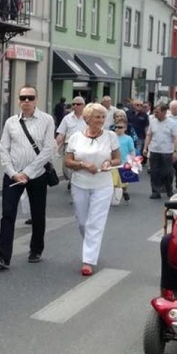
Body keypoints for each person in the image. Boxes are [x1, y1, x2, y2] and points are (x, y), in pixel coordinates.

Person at [0, 86, 56, 270]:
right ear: (19, 100)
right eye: (23, 97)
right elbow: (4, 148)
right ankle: (3, 256)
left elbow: (48, 150)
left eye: (30, 97)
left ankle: (36, 249)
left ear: (36, 100)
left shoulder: (47, 120)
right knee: (7, 214)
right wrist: (12, 172)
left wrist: (28, 172)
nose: (26, 101)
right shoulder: (11, 122)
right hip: (13, 175)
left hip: (37, 175)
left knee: (37, 213)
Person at [63, 103, 121, 276]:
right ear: (87, 118)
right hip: (80, 183)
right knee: (83, 222)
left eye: (103, 117)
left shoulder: (110, 136)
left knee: (95, 223)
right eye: (97, 117)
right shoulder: (75, 137)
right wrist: (83, 165)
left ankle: (88, 260)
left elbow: (118, 159)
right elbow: (68, 161)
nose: (101, 120)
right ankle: (90, 244)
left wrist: (109, 162)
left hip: (103, 184)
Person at [143, 102, 177, 199]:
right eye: (155, 112)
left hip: (167, 152)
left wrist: (176, 152)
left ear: (164, 112)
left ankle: (169, 190)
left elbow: (175, 138)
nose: (155, 114)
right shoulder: (153, 121)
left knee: (167, 172)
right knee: (154, 172)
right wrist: (145, 148)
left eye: (157, 112)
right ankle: (155, 192)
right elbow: (149, 135)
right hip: (154, 150)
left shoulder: (172, 123)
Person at [56, 96, 87, 188]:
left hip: (84, 145)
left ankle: (76, 182)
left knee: (81, 166)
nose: (75, 106)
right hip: (69, 145)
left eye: (78, 104)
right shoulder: (67, 118)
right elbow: (61, 134)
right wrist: (55, 145)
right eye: (74, 104)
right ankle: (72, 179)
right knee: (66, 167)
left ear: (83, 105)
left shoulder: (88, 118)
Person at [113, 119, 136, 202]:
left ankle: (124, 192)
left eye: (120, 127)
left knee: (124, 182)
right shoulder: (112, 137)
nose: (118, 129)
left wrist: (133, 160)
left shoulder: (128, 138)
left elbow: (132, 150)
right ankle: (114, 196)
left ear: (125, 128)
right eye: (116, 127)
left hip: (125, 162)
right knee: (114, 181)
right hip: (114, 162)